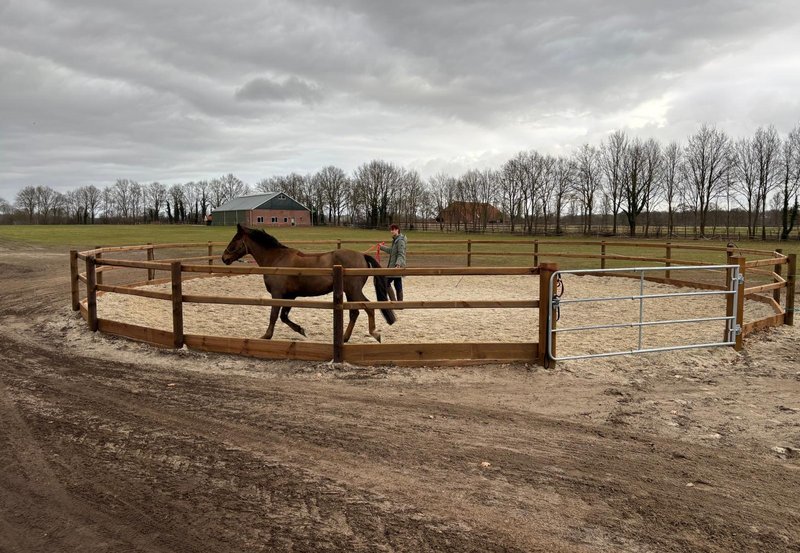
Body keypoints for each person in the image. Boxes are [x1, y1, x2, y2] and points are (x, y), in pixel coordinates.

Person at [379, 224, 406, 302]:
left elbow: (401, 254)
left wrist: (398, 264)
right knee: (397, 284)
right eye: (391, 230)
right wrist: (381, 247)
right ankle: (399, 304)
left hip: (396, 266)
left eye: (393, 229)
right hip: (395, 265)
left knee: (386, 282)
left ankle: (394, 302)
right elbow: (391, 251)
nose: (391, 231)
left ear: (397, 230)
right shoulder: (396, 240)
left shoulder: (400, 241)